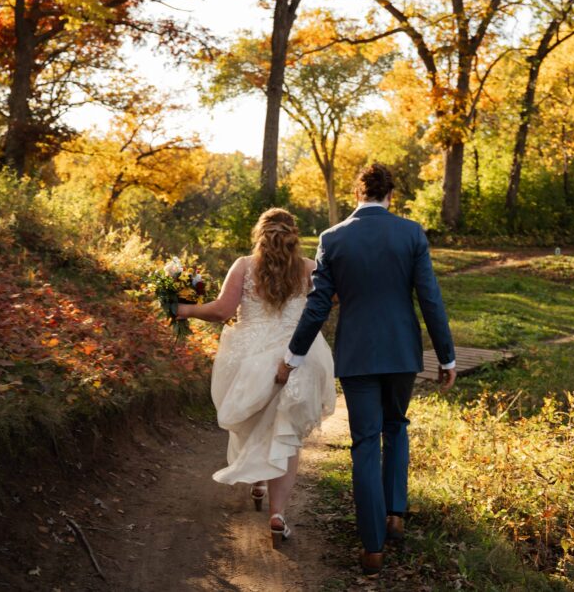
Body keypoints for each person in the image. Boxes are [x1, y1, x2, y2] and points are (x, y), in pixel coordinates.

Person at [278, 163, 456, 574]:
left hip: (357, 356)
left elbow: (318, 304)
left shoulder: (333, 238)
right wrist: (445, 355)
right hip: (401, 353)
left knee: (364, 443)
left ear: (356, 194)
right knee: (396, 425)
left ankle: (372, 546)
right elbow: (430, 298)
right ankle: (396, 514)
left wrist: (293, 356)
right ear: (391, 195)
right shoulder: (411, 233)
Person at [176, 208, 335, 548]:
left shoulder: (245, 265)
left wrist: (184, 309)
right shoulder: (309, 269)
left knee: (253, 421)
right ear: (295, 234)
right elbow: (333, 298)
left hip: (251, 356)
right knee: (286, 434)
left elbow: (221, 311)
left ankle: (258, 481)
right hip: (298, 359)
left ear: (258, 233)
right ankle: (277, 515)